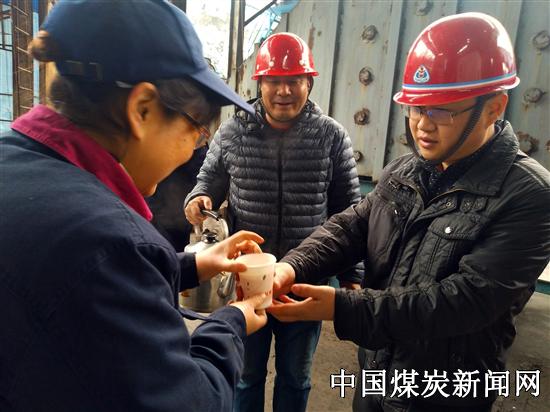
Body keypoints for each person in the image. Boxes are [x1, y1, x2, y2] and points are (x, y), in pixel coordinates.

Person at [267, 12, 550, 412]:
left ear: (493, 107)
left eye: (441, 111)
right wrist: (292, 266)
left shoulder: (528, 195)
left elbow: (464, 301)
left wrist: (341, 308)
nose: (422, 126)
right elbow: (352, 227)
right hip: (378, 376)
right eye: (416, 109)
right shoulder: (404, 170)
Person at [0, 1, 269, 411]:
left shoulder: (15, 162)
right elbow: (192, 402)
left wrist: (195, 264)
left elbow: (79, 280)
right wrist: (231, 322)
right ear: (142, 109)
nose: (192, 149)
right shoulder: (112, 242)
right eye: (196, 132)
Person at [184, 32, 362, 412]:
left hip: (306, 278)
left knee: (296, 376)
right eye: (274, 81)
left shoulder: (331, 137)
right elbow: (208, 182)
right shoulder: (233, 132)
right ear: (260, 84)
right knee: (245, 374)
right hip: (247, 278)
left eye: (294, 80)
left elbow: (349, 212)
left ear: (309, 83)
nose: (284, 91)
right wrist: (198, 200)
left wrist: (352, 275)